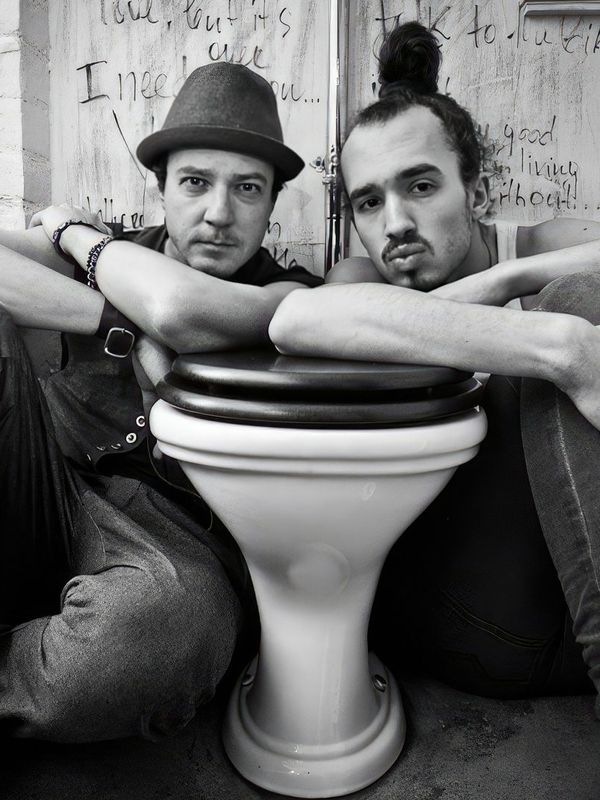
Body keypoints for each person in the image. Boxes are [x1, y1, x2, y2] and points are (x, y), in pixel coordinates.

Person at [269, 22, 600, 713]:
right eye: (369, 202)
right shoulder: (359, 280)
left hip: (575, 597)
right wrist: (543, 332)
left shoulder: (544, 243)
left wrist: (518, 273)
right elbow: (295, 321)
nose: (394, 223)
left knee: (578, 298)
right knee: (566, 313)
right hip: (483, 620)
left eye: (420, 186)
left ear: (478, 194)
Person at [0, 62, 321, 741]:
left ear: (272, 203)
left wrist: (73, 234)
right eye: (196, 182)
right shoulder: (108, 253)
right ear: (161, 188)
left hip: (172, 548)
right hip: (47, 493)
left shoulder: (291, 296)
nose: (219, 214)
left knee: (165, 633)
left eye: (248, 188)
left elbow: (181, 311)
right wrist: (116, 320)